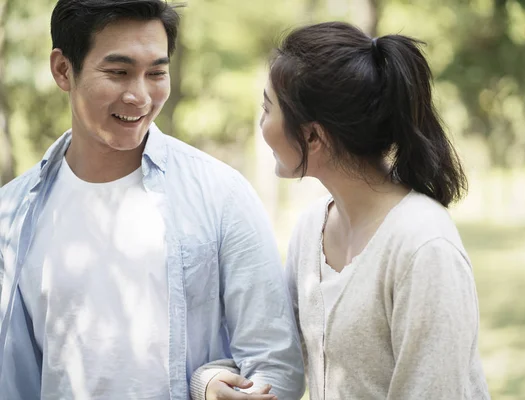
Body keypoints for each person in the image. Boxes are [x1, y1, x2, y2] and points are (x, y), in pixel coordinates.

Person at [0, 1, 304, 399]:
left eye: (157, 73)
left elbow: (276, 366)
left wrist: (209, 384)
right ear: (62, 69)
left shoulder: (221, 195)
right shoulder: (12, 214)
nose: (140, 96)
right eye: (119, 72)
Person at [258, 22, 491, 399]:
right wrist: (209, 383)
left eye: (268, 109)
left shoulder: (423, 247)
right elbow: (280, 356)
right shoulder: (310, 228)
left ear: (313, 136)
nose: (262, 125)